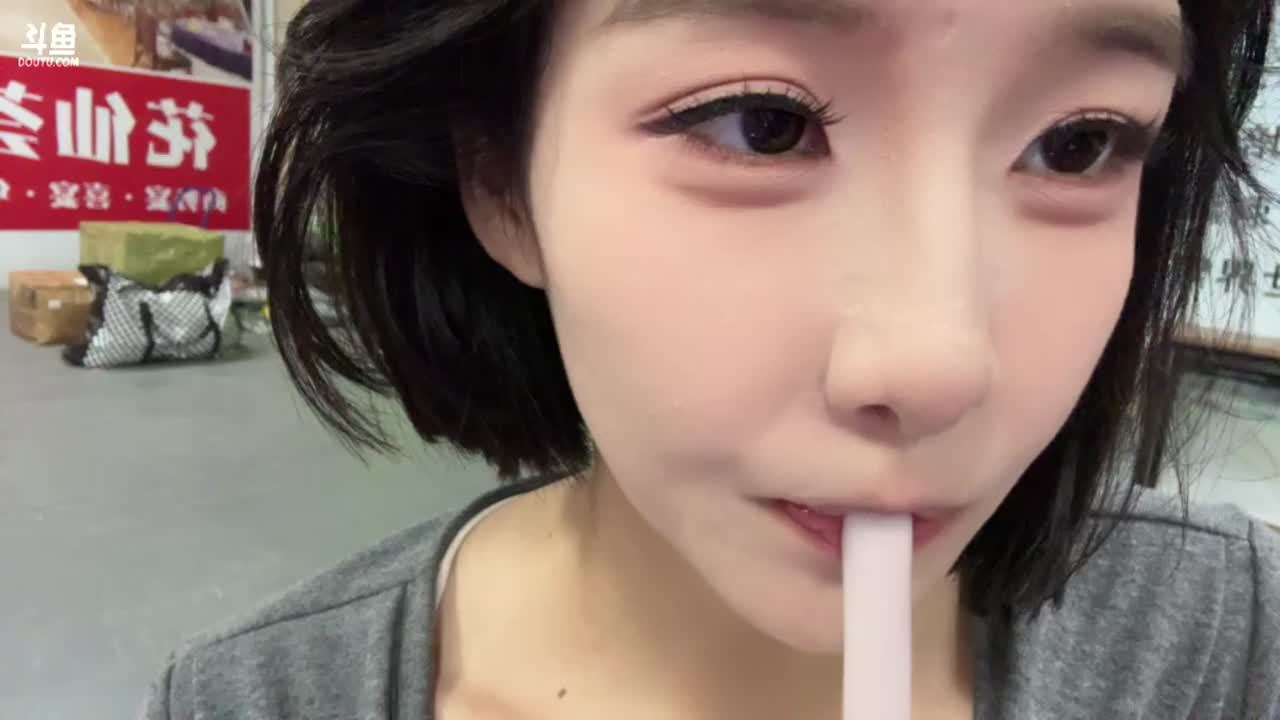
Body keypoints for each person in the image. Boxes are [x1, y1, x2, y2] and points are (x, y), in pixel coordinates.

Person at [142, 0, 1280, 717]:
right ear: (498, 179)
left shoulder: (1220, 647)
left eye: (1078, 144)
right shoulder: (263, 700)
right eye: (760, 124)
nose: (936, 366)